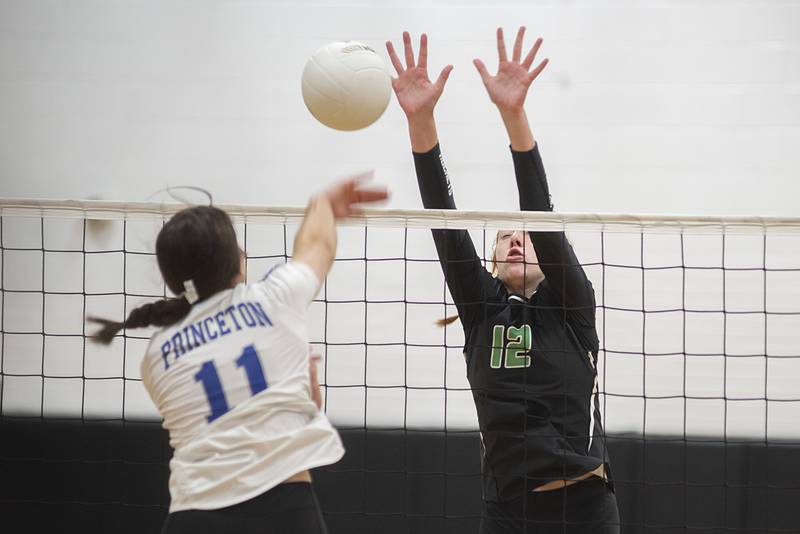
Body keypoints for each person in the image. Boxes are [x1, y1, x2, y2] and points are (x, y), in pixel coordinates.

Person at [386, 28, 619, 533]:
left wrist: (514, 116)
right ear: (492, 261)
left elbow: (542, 216)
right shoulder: (483, 311)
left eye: (526, 237)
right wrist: (420, 122)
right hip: (509, 512)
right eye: (503, 238)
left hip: (583, 510)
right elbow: (444, 223)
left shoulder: (572, 306)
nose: (516, 241)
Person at [90, 175, 388, 534]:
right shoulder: (275, 297)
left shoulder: (155, 357)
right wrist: (322, 203)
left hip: (194, 516)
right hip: (284, 511)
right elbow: (318, 243)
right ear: (236, 261)